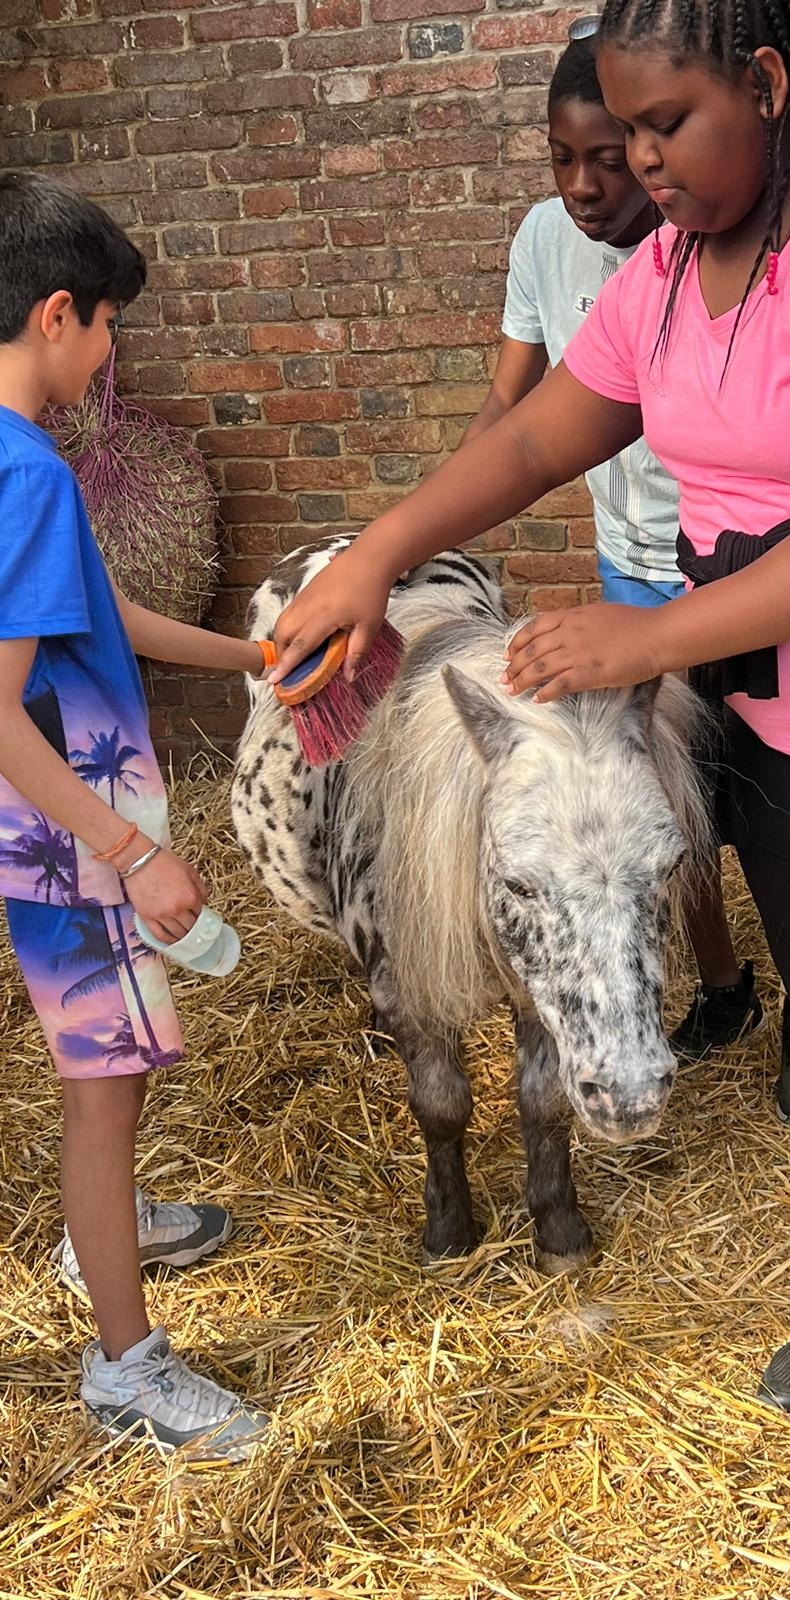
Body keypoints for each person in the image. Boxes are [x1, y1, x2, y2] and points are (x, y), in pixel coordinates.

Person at [269, 0, 790, 1487]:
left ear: (770, 84)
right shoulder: (665, 275)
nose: (643, 160)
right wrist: (377, 555)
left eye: (668, 123)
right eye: (626, 131)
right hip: (777, 696)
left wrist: (649, 637)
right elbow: (536, 436)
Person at [0, 171, 268, 1462]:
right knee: (102, 1089)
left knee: (114, 1076)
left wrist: (258, 658)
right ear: (58, 314)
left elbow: (107, 618)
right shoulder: (29, 479)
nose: (109, 356)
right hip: (71, 838)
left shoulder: (16, 469)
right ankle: (126, 1365)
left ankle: (106, 1221)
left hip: (59, 829)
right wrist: (136, 853)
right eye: (108, 326)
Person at [462, 28, 779, 1079]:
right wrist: (425, 533)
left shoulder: (702, 250)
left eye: (613, 155)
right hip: (626, 565)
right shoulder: (543, 241)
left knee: (768, 801)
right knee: (662, 796)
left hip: (734, 569)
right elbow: (512, 410)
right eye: (564, 158)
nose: (587, 185)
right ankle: (724, 986)